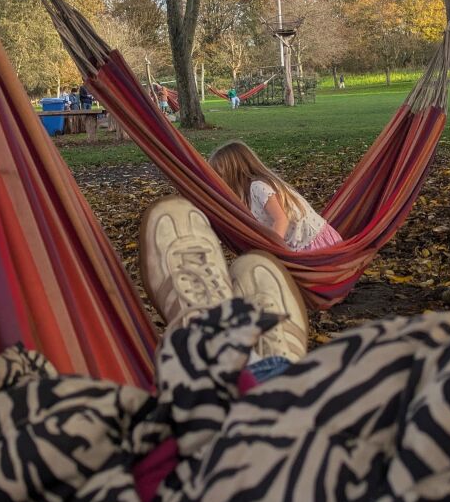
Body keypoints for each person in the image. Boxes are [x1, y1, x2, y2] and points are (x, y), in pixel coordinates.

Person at [139, 195, 306, 377]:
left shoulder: (258, 188)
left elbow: (282, 218)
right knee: (285, 383)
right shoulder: (255, 189)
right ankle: (278, 367)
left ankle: (207, 339)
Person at [208, 140, 343, 252]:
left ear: (235, 172)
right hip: (297, 245)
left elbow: (281, 220)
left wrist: (271, 252)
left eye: (220, 176)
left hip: (315, 245)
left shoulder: (258, 187)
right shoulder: (244, 195)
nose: (219, 182)